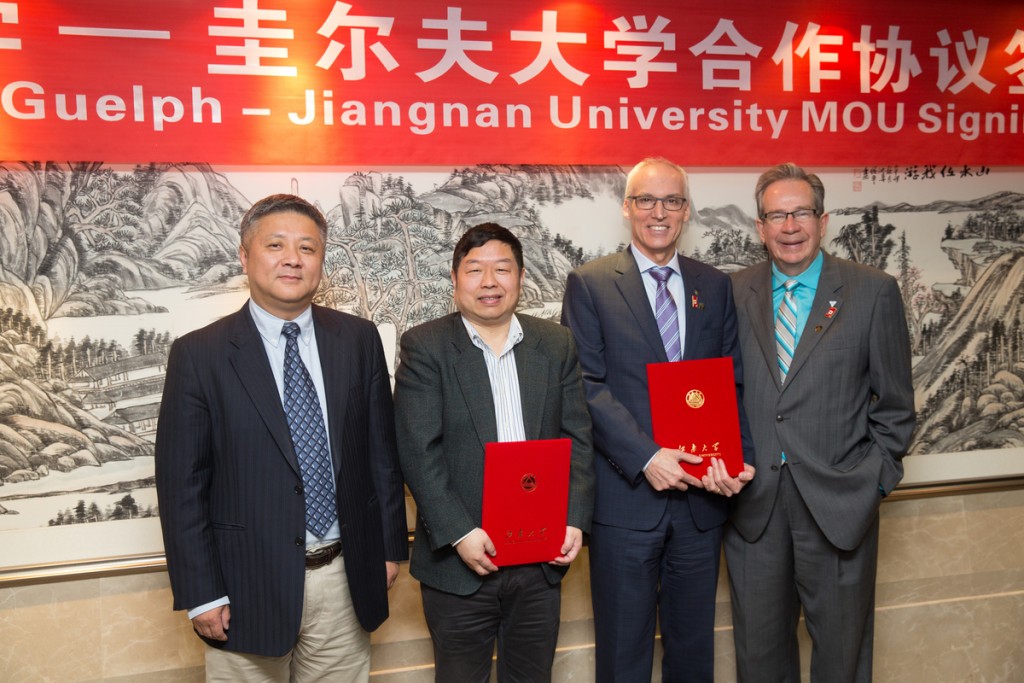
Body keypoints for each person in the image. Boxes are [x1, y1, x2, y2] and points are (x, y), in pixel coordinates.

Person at [155, 194, 408, 682]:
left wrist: (389, 548)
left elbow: (381, 453)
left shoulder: (357, 339)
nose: (293, 258)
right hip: (245, 582)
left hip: (346, 577)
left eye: (308, 248)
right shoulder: (199, 355)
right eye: (276, 245)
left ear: (321, 261)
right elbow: (181, 485)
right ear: (245, 256)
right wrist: (202, 592)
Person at [561, 157, 755, 683]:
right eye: (646, 199)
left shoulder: (714, 285)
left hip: (699, 504)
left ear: (686, 211)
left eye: (672, 201)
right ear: (627, 208)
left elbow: (730, 381)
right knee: (623, 654)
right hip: (626, 505)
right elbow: (587, 386)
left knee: (693, 653)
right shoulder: (592, 283)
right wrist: (647, 457)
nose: (659, 212)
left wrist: (737, 460)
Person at [724, 162, 915, 683]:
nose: (790, 227)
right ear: (759, 227)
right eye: (776, 215)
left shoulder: (872, 292)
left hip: (839, 505)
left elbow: (896, 406)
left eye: (801, 212)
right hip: (753, 506)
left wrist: (872, 481)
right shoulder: (733, 294)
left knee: (842, 657)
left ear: (823, 219)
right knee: (759, 658)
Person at [394, 223, 595, 682]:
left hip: (541, 559)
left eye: (502, 269)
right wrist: (461, 533)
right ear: (454, 278)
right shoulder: (426, 347)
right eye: (475, 270)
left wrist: (574, 518)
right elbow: (418, 450)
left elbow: (578, 438)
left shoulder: (555, 343)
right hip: (460, 562)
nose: (490, 282)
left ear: (520, 277)